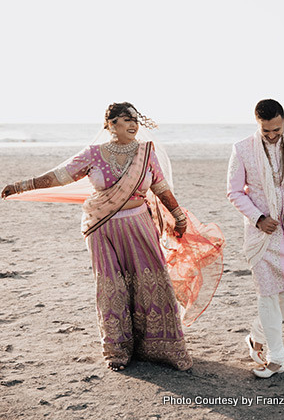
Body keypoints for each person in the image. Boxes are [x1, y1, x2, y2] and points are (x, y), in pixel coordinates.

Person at [1, 102, 193, 372]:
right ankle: (118, 351)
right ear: (110, 124)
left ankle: (160, 348)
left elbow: (160, 187)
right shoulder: (93, 154)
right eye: (126, 119)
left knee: (152, 283)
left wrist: (179, 216)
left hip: (139, 226)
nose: (133, 124)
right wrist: (22, 186)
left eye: (135, 119)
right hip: (103, 229)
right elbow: (60, 176)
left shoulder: (146, 153)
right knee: (111, 287)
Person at [227, 98, 284, 378]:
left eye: (276, 130)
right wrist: (258, 218)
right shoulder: (242, 148)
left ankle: (257, 333)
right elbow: (234, 191)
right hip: (261, 234)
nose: (270, 135)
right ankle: (275, 357)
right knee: (267, 295)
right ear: (257, 123)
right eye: (265, 130)